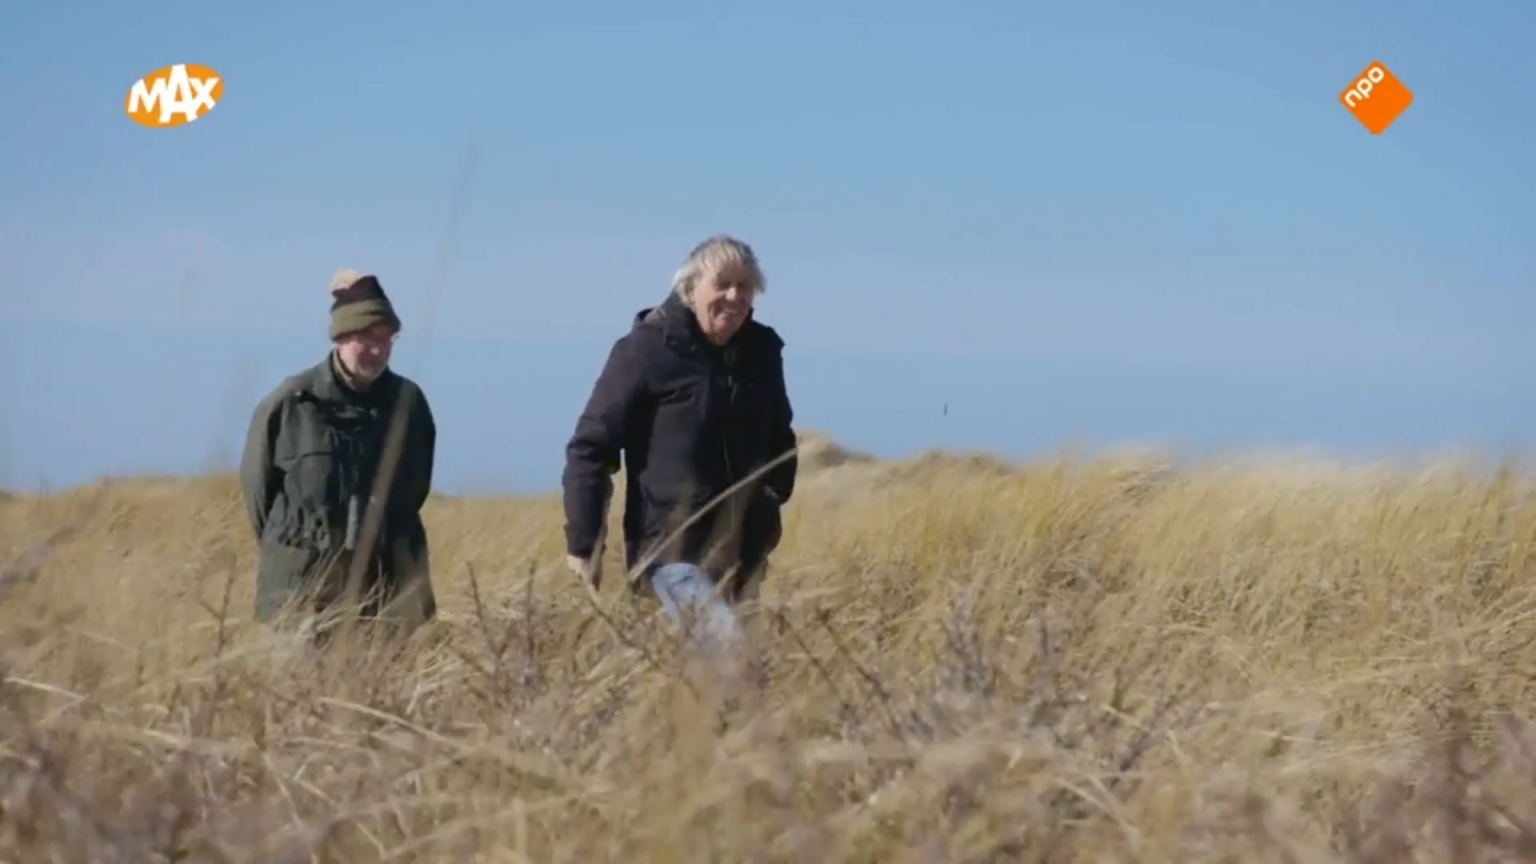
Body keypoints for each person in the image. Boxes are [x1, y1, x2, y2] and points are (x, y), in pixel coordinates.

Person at [561, 234, 798, 648]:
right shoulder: (646, 350)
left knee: (731, 678)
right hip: (671, 553)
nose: (734, 296)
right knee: (726, 649)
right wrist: (585, 542)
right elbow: (590, 447)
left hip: (743, 553)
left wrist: (772, 496)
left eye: (745, 287)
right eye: (722, 283)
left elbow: (780, 433)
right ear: (690, 287)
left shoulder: (761, 353)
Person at [239, 269, 438, 641]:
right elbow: (259, 498)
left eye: (387, 339)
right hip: (299, 600)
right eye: (367, 338)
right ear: (341, 338)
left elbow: (415, 491)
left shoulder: (409, 405)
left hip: (386, 598)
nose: (378, 349)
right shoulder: (290, 404)